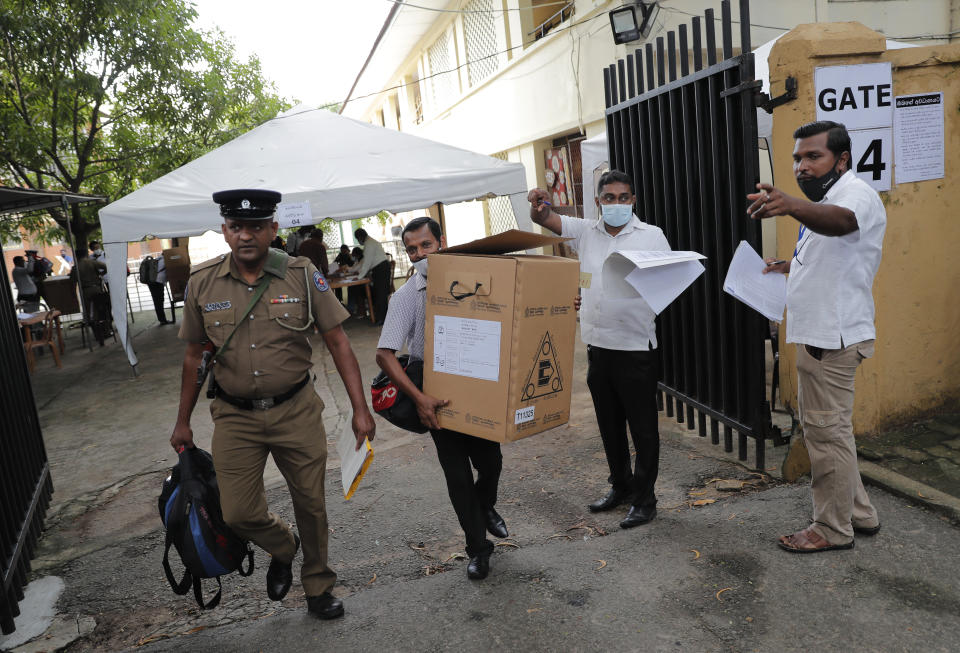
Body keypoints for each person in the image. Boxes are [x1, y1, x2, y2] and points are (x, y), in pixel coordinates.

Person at [170, 188, 376, 619]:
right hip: (234, 416)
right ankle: (284, 547)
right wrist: (182, 421)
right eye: (237, 226)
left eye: (256, 226)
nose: (246, 235)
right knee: (237, 511)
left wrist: (360, 408)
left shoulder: (301, 274)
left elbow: (338, 342)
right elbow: (193, 356)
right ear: (225, 231)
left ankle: (318, 585)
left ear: (273, 230)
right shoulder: (202, 282)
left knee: (311, 504)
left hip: (296, 410)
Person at [747, 121, 884, 553]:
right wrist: (789, 266)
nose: (802, 166)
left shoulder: (854, 196)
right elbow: (833, 251)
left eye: (813, 156)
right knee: (832, 433)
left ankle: (831, 529)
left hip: (833, 340)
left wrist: (788, 205)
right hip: (820, 337)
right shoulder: (828, 198)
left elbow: (841, 224)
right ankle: (858, 513)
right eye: (797, 158)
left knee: (827, 435)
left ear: (841, 159)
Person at [528, 169, 671, 530]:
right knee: (609, 425)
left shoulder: (651, 236)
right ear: (598, 202)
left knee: (643, 429)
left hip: (636, 346)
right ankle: (620, 487)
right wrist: (539, 203)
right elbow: (545, 218)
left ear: (633, 200)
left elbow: (668, 283)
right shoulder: (586, 231)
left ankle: (645, 499)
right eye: (609, 198)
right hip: (598, 345)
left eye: (624, 197)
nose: (617, 204)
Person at [375, 216, 507, 580]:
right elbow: (384, 354)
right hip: (433, 397)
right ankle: (478, 549)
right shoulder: (405, 297)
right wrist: (419, 398)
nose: (419, 254)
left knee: (491, 461)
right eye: (412, 250)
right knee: (457, 475)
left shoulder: (476, 281)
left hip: (478, 389)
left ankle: (485, 506)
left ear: (441, 242)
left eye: (425, 246)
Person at [70, 248, 111, 343]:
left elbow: (72, 283)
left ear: (76, 256)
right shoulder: (92, 262)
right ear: (86, 254)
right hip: (97, 288)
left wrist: (73, 295)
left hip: (85, 291)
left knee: (89, 314)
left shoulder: (76, 267)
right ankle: (106, 332)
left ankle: (97, 335)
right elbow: (106, 267)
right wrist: (101, 274)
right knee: (102, 310)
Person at [353, 228, 390, 325]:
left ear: (360, 237)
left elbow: (367, 263)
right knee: (379, 294)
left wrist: (360, 277)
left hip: (381, 269)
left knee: (381, 295)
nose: (358, 241)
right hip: (380, 268)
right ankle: (382, 318)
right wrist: (361, 274)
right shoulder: (369, 242)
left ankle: (382, 319)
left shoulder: (369, 244)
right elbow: (366, 263)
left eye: (357, 239)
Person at [148, 255, 173, 325]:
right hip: (158, 282)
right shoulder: (166, 260)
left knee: (156, 301)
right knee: (159, 301)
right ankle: (163, 320)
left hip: (151, 281)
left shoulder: (159, 258)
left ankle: (161, 319)